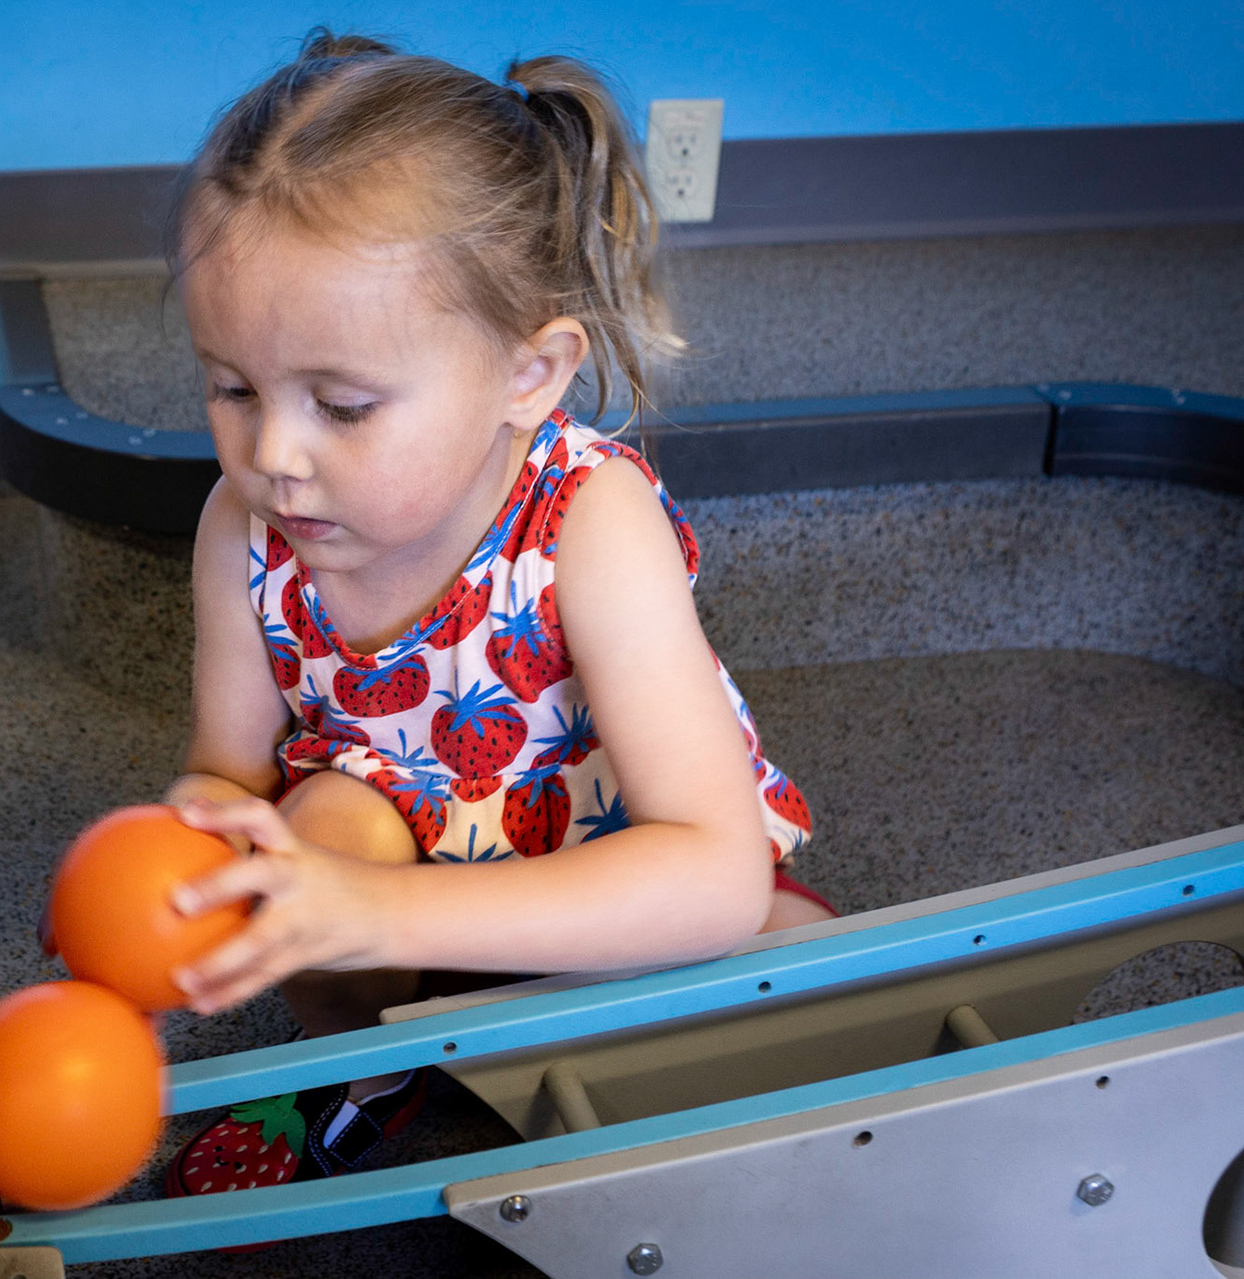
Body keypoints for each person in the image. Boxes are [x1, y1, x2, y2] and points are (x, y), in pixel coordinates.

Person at [132, 30, 837, 1201]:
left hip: (607, 872)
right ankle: (366, 1071)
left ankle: (544, 1062)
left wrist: (378, 907)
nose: (273, 456)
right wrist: (174, 862)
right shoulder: (242, 526)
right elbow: (225, 769)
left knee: (800, 982)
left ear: (530, 375)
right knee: (313, 829)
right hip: (397, 871)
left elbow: (708, 871)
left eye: (343, 405)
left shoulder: (591, 516)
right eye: (233, 388)